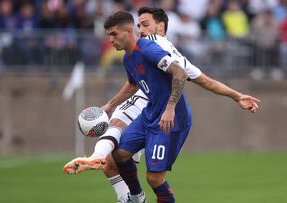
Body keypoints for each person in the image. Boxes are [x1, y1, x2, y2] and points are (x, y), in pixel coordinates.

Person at [64, 8, 260, 203]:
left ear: (130, 31)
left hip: (171, 120)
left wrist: (170, 108)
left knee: (154, 178)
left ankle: (130, 188)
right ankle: (136, 197)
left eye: (114, 34)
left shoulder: (153, 47)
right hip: (149, 113)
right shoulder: (127, 57)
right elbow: (133, 84)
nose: (110, 40)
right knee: (119, 154)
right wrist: (110, 105)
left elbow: (181, 73)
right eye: (139, 24)